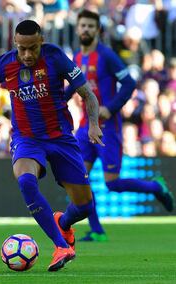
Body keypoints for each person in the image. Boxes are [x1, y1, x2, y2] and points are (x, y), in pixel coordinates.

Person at [0, 19, 103, 272]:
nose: (26, 54)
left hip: (61, 138)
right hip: (26, 138)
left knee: (85, 206)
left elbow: (87, 93)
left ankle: (63, 223)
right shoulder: (4, 63)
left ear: (41, 41)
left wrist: (94, 124)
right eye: (21, 48)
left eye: (32, 47)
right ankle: (61, 246)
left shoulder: (56, 57)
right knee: (25, 181)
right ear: (15, 43)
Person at [66, 9, 174, 242]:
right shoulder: (76, 58)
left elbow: (129, 82)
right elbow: (70, 88)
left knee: (112, 183)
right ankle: (96, 231)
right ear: (77, 29)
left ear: (97, 30)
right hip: (85, 128)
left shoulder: (106, 55)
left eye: (90, 26)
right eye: (82, 26)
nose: (85, 29)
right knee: (78, 179)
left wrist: (111, 107)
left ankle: (155, 187)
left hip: (108, 128)